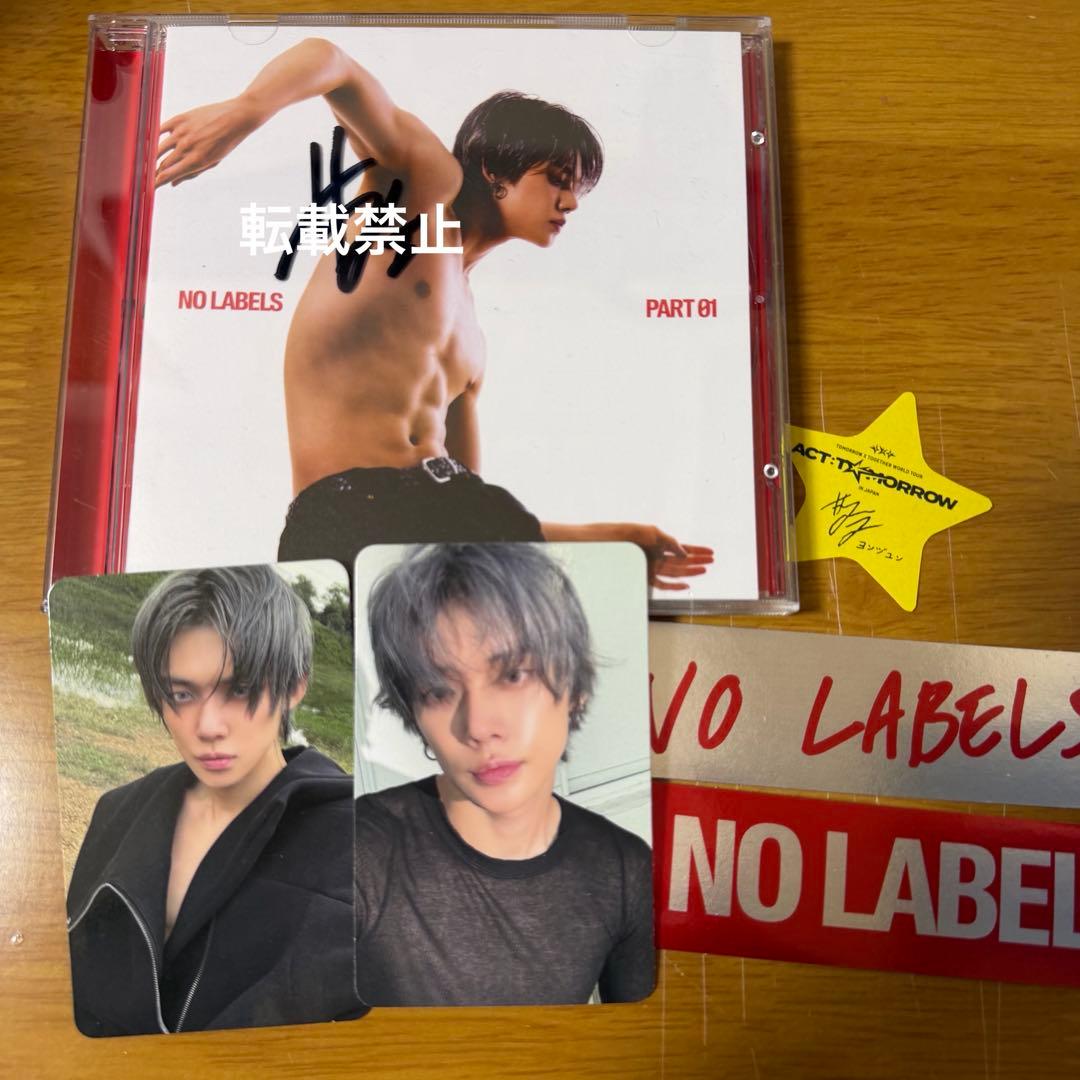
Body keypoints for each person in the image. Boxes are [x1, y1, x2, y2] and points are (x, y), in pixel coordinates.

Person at [155, 38, 713, 590]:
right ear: (495, 169)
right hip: (346, 518)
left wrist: (617, 542)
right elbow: (333, 61)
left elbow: (470, 521)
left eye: (579, 191)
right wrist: (247, 109)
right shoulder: (421, 200)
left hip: (426, 530)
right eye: (558, 181)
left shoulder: (470, 335)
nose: (570, 203)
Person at [354, 543, 655, 1006]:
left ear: (575, 686)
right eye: (438, 691)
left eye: (513, 675)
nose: (478, 726)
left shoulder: (623, 871)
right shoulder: (358, 851)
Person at [65, 566, 362, 1036]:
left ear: (294, 688)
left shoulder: (359, 844)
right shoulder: (118, 812)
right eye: (181, 693)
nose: (207, 726)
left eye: (239, 689)